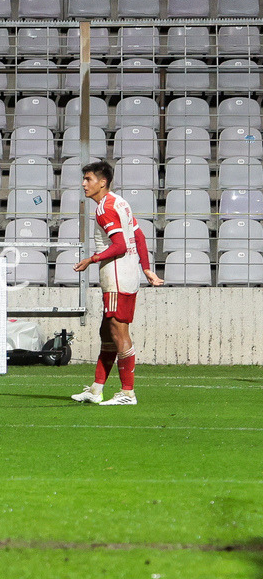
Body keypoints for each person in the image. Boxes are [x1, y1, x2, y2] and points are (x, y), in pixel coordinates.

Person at [71, 161, 163, 406]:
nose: (83, 184)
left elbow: (120, 245)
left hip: (116, 277)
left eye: (88, 179)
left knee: (118, 332)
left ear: (102, 182)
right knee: (106, 332)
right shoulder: (120, 202)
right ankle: (96, 389)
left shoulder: (104, 209)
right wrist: (146, 269)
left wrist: (91, 259)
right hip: (129, 274)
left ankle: (127, 392)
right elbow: (139, 236)